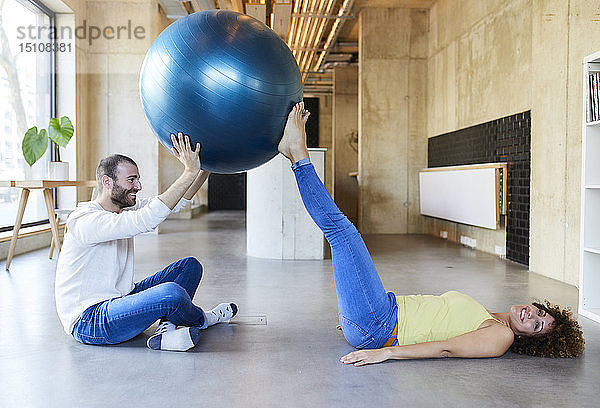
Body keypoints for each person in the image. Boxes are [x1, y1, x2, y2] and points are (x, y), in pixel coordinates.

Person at [277, 102, 585, 366]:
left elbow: (445, 349)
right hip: (379, 314)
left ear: (529, 339)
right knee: (343, 233)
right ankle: (293, 154)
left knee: (342, 232)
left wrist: (386, 354)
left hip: (379, 327)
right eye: (540, 312)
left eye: (537, 325)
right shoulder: (491, 315)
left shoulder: (500, 336)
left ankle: (298, 154)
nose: (533, 315)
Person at [55, 133, 237, 352]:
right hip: (90, 320)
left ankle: (165, 331)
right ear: (107, 182)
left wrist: (205, 167)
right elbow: (147, 219)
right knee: (172, 293)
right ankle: (202, 319)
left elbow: (176, 203)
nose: (138, 185)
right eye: (131, 180)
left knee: (189, 267)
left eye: (137, 179)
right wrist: (188, 171)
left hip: (120, 299)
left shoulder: (123, 209)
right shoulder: (86, 220)